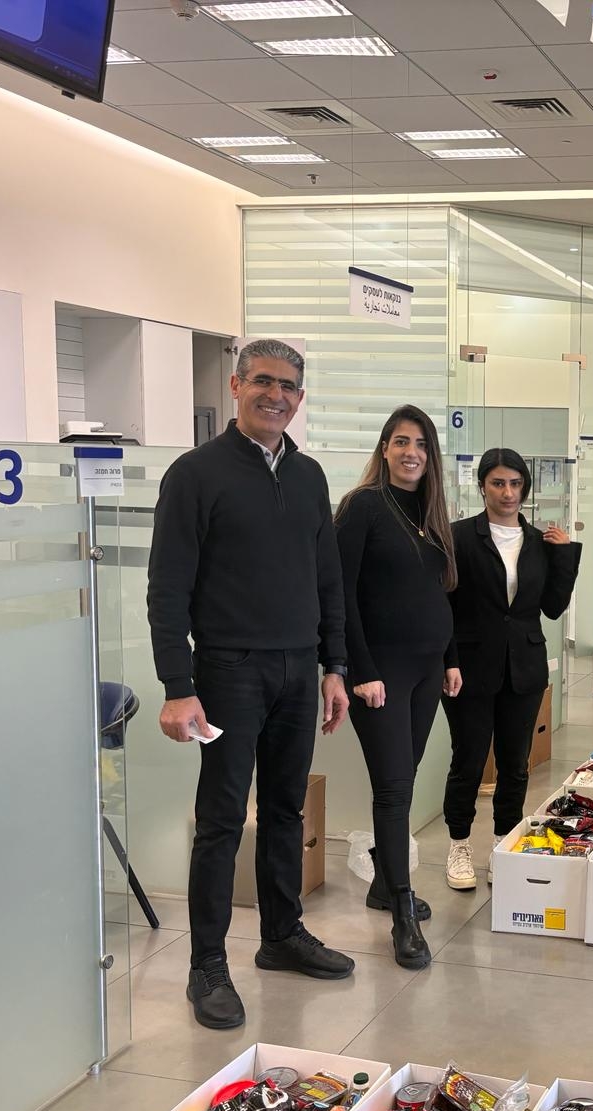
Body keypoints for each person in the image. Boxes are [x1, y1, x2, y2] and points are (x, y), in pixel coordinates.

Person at [148, 337, 355, 1031]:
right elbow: (167, 588)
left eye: (289, 386)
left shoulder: (309, 476)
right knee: (221, 820)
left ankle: (281, 935)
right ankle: (207, 964)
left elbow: (327, 580)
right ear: (236, 386)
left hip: (299, 669)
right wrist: (177, 685)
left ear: (301, 398)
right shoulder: (195, 474)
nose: (276, 395)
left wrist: (335, 666)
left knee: (287, 810)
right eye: (263, 381)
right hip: (229, 670)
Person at [336, 404, 460, 971]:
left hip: (427, 670)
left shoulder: (430, 513)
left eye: (421, 444)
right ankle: (402, 914)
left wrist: (450, 658)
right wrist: (359, 669)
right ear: (384, 448)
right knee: (391, 788)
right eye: (402, 442)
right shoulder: (363, 506)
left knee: (403, 781)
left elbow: (440, 592)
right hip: (381, 672)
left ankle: (384, 885)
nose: (412, 453)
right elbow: (340, 595)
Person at [441, 448, 582, 889]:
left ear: (525, 487)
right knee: (467, 761)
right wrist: (448, 661)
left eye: (515, 483)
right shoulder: (458, 537)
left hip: (523, 666)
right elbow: (444, 607)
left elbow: (553, 607)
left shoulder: (540, 541)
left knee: (515, 764)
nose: (507, 492)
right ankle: (459, 844)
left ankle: (504, 841)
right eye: (498, 483)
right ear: (482, 486)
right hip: (469, 667)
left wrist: (565, 555)